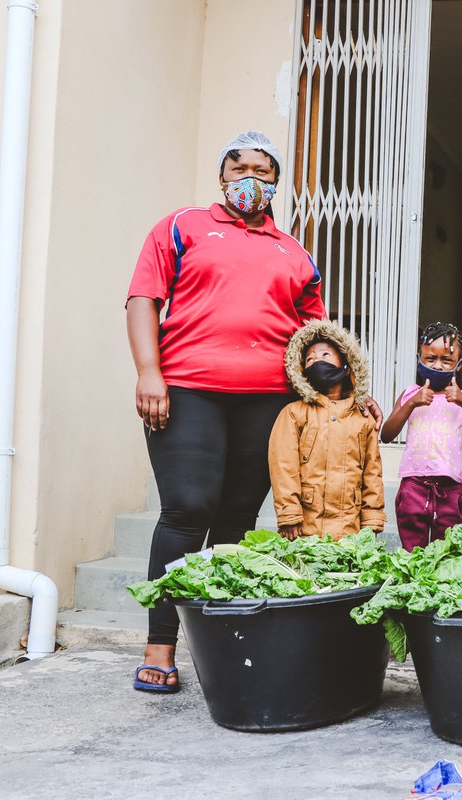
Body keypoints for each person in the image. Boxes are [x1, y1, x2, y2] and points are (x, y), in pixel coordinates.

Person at [125, 131, 379, 693]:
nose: (250, 177)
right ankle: (160, 643)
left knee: (237, 519)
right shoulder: (182, 226)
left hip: (269, 400)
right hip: (187, 388)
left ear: (275, 184)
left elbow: (318, 337)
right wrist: (150, 371)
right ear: (221, 177)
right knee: (188, 508)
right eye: (238, 166)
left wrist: (350, 389)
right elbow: (144, 297)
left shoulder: (293, 252)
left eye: (263, 170)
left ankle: (222, 641)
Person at [380, 322, 462, 550]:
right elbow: (386, 434)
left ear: (459, 365)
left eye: (447, 360)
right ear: (419, 358)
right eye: (430, 359)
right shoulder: (411, 394)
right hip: (413, 484)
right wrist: (411, 403)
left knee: (444, 550)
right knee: (413, 550)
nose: (439, 366)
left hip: (449, 487)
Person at [268, 320, 385, 539]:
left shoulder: (363, 418)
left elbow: (373, 472)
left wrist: (372, 518)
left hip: (350, 531)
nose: (317, 362)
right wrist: (289, 514)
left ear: (346, 364)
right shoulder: (294, 413)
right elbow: (283, 467)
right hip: (304, 530)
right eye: (310, 359)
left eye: (325, 356)